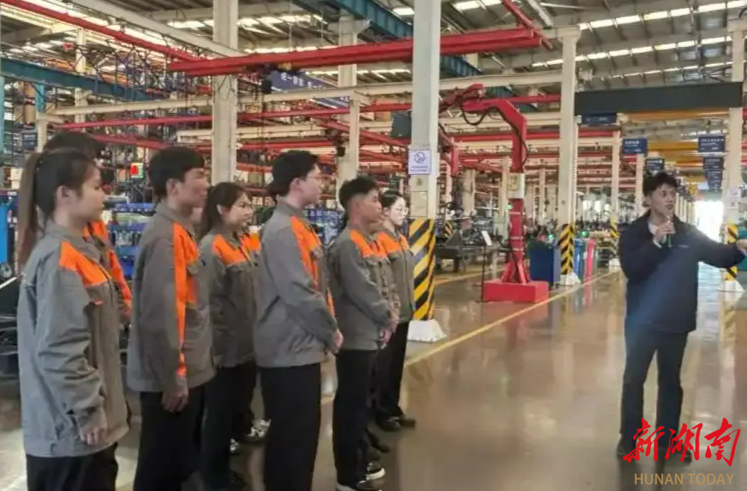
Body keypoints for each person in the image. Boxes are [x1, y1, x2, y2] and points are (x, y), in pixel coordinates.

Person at [16, 148, 129, 491]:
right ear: (64, 194)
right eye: (95, 186)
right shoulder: (60, 258)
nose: (103, 194)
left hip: (81, 432)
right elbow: (59, 349)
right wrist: (88, 409)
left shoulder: (80, 252)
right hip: (72, 434)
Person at [617, 172, 747, 460]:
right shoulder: (633, 234)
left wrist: (738, 249)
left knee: (671, 383)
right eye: (663, 193)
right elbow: (632, 270)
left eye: (673, 193)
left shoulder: (687, 233)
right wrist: (655, 242)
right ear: (648, 199)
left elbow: (717, 254)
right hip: (641, 323)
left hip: (675, 322)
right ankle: (629, 438)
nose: (670, 199)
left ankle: (668, 441)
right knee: (634, 380)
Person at [254, 150, 342, 491]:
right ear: (296, 183)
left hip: (300, 345)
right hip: (287, 349)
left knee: (300, 436)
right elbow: (300, 293)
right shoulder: (282, 230)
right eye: (317, 177)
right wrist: (330, 331)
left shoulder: (299, 226)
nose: (322, 184)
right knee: (292, 439)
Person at [127, 147, 213, 491]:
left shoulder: (181, 231)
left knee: (180, 465)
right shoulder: (166, 237)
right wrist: (173, 376)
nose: (206, 184)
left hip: (189, 370)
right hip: (175, 379)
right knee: (162, 470)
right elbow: (162, 315)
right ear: (174, 186)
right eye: (200, 176)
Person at [328, 177, 399, 491]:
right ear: (356, 205)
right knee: (351, 406)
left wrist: (390, 316)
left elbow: (387, 284)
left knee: (363, 405)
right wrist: (387, 316)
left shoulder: (370, 241)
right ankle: (348, 474)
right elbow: (363, 291)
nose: (379, 206)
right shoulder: (347, 244)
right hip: (356, 338)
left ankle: (360, 460)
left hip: (373, 335)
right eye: (374, 199)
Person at [198, 183, 259, 491]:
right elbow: (209, 305)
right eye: (243, 205)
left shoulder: (239, 243)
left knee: (234, 410)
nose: (249, 211)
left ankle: (223, 468)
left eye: (249, 205)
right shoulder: (212, 248)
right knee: (218, 418)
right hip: (224, 351)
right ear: (222, 210)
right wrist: (218, 352)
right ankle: (213, 476)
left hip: (245, 345)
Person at [42, 131, 132, 323]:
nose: (103, 196)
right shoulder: (54, 248)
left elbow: (111, 269)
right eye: (95, 186)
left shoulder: (93, 224)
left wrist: (123, 306)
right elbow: (63, 332)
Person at [373, 190, 416, 432]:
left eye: (405, 209)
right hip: (389, 315)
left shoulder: (401, 239)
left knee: (396, 365)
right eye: (399, 209)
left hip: (404, 313)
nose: (403, 213)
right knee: (383, 366)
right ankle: (380, 412)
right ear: (386, 211)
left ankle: (392, 407)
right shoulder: (379, 239)